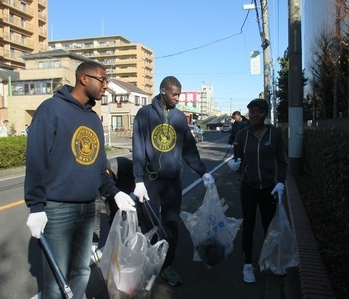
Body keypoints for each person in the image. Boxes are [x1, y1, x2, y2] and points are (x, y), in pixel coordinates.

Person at [24, 61, 136, 298]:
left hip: (87, 208)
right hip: (58, 208)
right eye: (102, 80)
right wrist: (35, 206)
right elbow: (36, 158)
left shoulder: (94, 119)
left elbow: (98, 166)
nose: (106, 86)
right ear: (84, 79)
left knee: (82, 271)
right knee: (56, 281)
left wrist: (114, 192)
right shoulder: (51, 109)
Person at [132, 76, 215, 286]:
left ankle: (166, 265)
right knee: (148, 225)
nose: (177, 98)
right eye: (174, 94)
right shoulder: (145, 114)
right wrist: (138, 179)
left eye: (179, 94)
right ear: (162, 91)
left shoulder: (179, 117)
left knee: (171, 224)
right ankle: (148, 264)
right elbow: (139, 147)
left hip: (172, 182)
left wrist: (202, 171)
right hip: (150, 181)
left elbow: (188, 148)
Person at [231, 98, 287, 284]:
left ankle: (271, 261)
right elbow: (237, 159)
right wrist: (234, 165)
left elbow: (281, 161)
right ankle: (247, 264)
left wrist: (281, 182)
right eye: (252, 111)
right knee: (248, 225)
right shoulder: (242, 135)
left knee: (269, 226)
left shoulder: (275, 134)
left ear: (266, 113)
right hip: (248, 187)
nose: (255, 115)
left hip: (269, 188)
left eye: (259, 111)